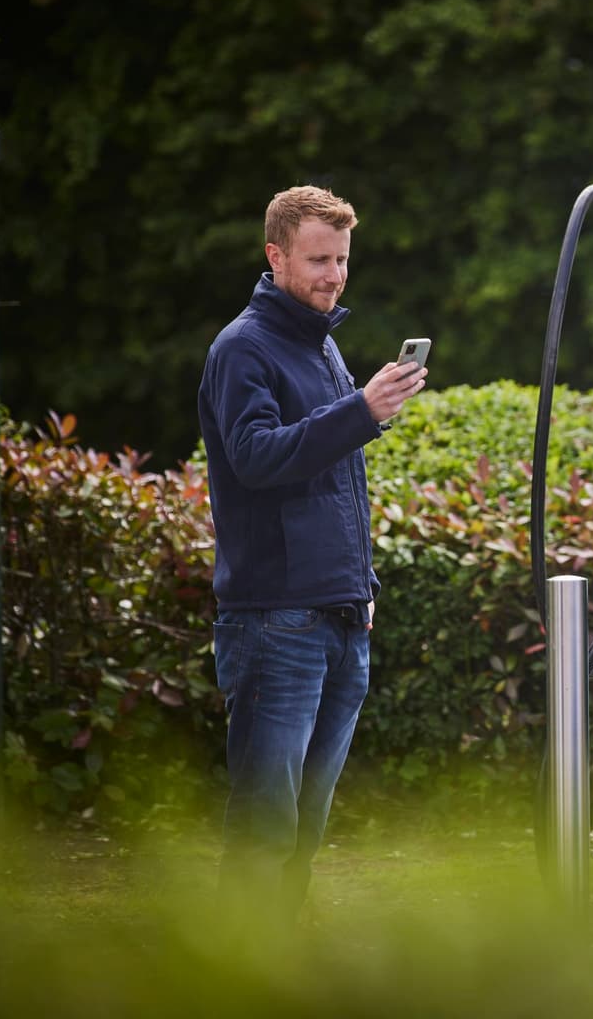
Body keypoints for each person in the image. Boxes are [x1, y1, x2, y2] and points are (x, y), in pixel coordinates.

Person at [198, 185, 426, 925]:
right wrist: (360, 410)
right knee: (266, 829)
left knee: (303, 831)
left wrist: (362, 594)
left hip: (337, 616)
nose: (333, 275)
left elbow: (333, 477)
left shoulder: (319, 342)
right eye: (318, 259)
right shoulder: (242, 350)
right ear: (276, 256)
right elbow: (258, 459)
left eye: (342, 260)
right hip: (274, 621)